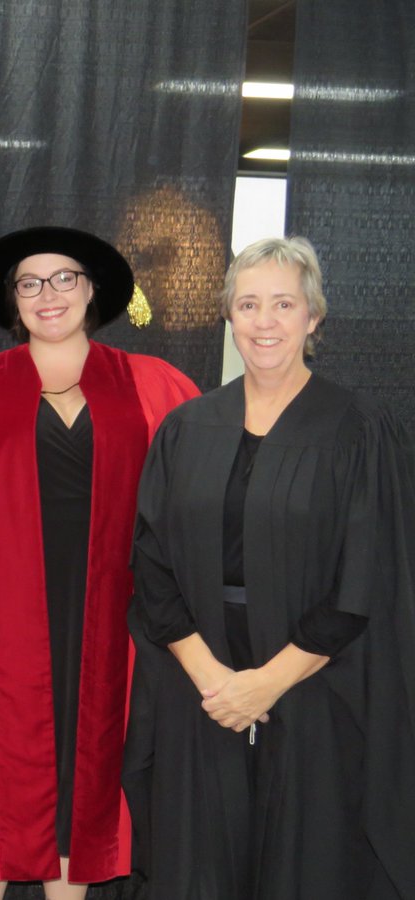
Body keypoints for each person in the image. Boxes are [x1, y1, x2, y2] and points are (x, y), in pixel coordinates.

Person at [123, 236, 415, 899]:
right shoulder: (187, 428)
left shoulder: (359, 431)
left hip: (317, 684)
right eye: (249, 304)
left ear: (314, 317)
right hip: (203, 685)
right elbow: (153, 563)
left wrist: (266, 684)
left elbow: (364, 578)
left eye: (284, 304)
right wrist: (214, 679)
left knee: (306, 863)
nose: (264, 321)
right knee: (202, 862)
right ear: (229, 316)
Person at [0, 227, 198, 899]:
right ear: (13, 299)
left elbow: (197, 504)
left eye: (64, 278)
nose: (48, 295)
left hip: (113, 619)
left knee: (89, 773)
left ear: (91, 288)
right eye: (30, 282)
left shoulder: (154, 386)